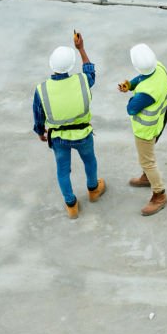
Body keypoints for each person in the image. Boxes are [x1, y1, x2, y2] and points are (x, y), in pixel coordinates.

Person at [33, 32, 106, 219]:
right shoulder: (82, 81)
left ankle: (71, 205)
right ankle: (93, 190)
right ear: (71, 65)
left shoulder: (42, 90)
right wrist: (81, 49)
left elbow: (39, 115)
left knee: (63, 171)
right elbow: (90, 71)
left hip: (58, 138)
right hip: (83, 134)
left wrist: (40, 132)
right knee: (90, 161)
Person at [118, 43, 167, 216]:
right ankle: (146, 176)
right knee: (147, 159)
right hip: (158, 122)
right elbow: (143, 77)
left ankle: (159, 195)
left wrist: (133, 94)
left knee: (147, 161)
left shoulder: (146, 93)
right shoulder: (159, 67)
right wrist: (131, 85)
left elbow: (131, 108)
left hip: (145, 131)